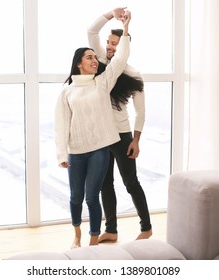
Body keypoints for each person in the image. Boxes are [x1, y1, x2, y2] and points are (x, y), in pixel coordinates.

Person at [54, 10, 132, 248]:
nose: (94, 60)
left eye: (94, 58)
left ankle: (93, 240)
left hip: (99, 149)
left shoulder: (102, 82)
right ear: (79, 63)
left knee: (91, 197)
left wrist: (125, 28)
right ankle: (77, 234)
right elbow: (61, 124)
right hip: (76, 151)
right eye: (89, 57)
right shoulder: (67, 91)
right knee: (75, 197)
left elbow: (120, 59)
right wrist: (62, 154)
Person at [87, 7, 152, 242]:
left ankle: (146, 227)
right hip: (101, 136)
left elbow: (140, 111)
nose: (110, 47)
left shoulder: (134, 75)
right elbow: (91, 30)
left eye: (115, 43)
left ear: (124, 45)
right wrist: (109, 14)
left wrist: (136, 139)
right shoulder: (100, 62)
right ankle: (111, 230)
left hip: (123, 136)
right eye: (109, 43)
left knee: (131, 182)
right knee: (105, 184)